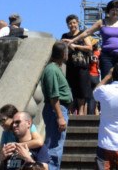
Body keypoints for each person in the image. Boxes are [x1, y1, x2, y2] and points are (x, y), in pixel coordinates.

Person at [64, 0, 118, 78]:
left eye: (117, 10)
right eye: (113, 10)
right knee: (107, 78)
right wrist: (73, 40)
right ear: (109, 11)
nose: (115, 12)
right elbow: (87, 32)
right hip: (106, 55)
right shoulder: (101, 22)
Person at [37, 41, 72, 170]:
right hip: (55, 110)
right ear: (64, 54)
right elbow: (53, 96)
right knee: (54, 148)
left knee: (56, 146)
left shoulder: (55, 68)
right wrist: (60, 117)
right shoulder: (51, 70)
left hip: (58, 110)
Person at [61, 14, 94, 114]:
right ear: (67, 25)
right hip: (70, 66)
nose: (72, 25)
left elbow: (90, 47)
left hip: (82, 65)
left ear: (78, 24)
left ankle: (80, 112)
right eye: (70, 23)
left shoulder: (82, 34)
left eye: (74, 23)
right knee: (71, 89)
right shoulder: (65, 36)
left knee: (82, 90)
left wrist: (75, 46)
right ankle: (70, 111)